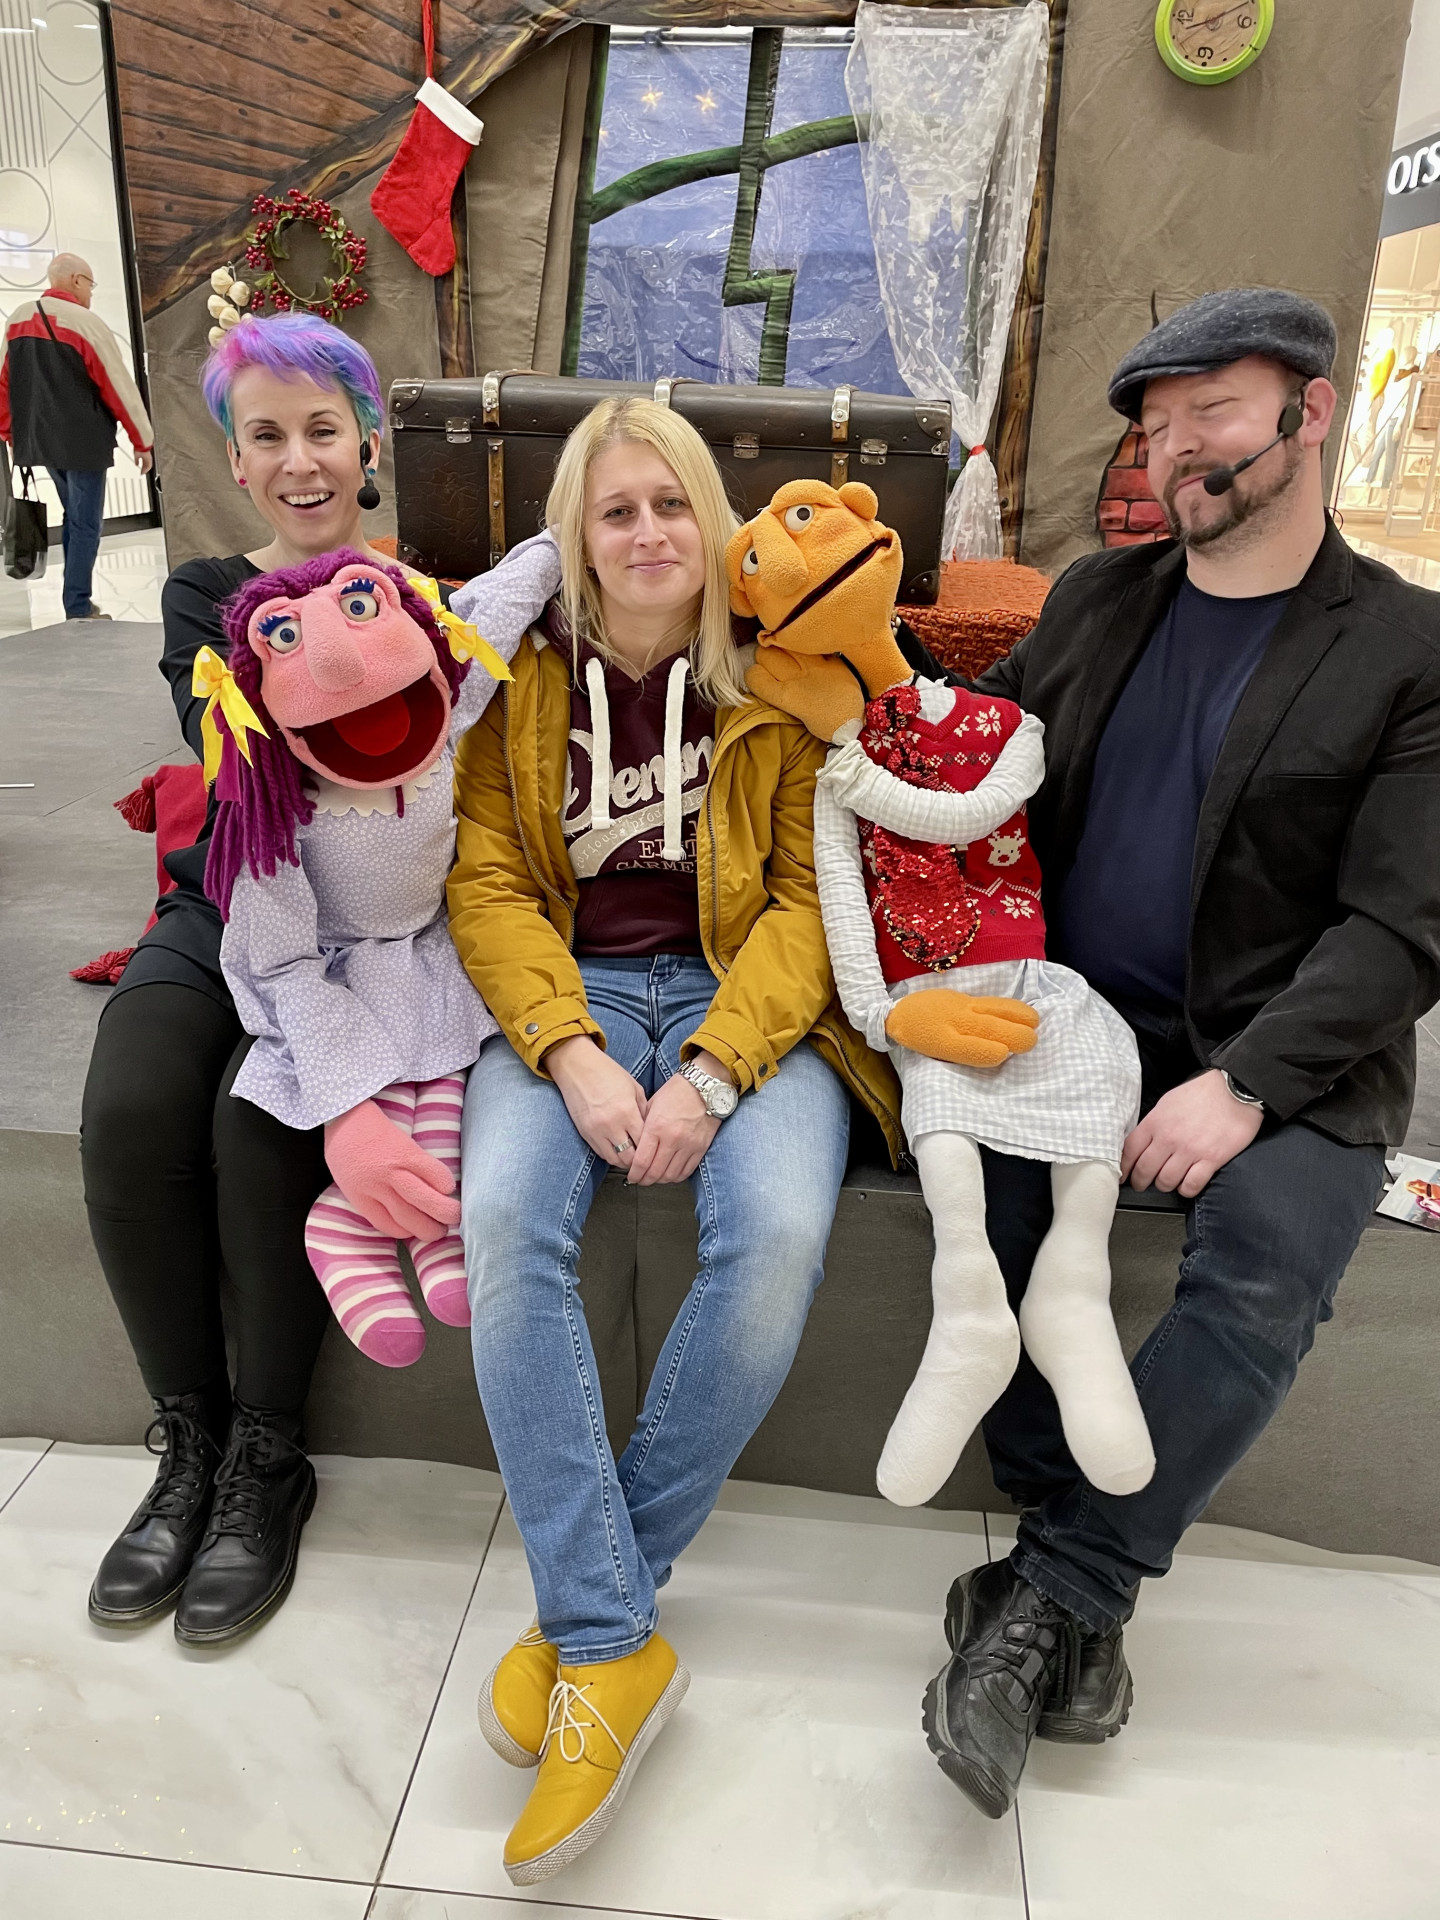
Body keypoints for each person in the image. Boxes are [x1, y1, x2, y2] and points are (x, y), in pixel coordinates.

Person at [922, 288, 1440, 1819]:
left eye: (1212, 410)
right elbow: (981, 749)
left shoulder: (1409, 648)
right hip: (1075, 1020)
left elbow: (1403, 927)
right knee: (997, 1200)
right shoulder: (1099, 598)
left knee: (1270, 1264)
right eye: (1157, 423)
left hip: (1290, 1049)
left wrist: (1246, 1086)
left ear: (1311, 412)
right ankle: (1069, 1568)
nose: (1176, 449)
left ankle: (1053, 1594)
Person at [446, 398, 899, 1887]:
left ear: (714, 524)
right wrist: (567, 1050)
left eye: (672, 505)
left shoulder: (784, 681)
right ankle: (612, 1635)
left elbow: (810, 902)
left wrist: (713, 1073)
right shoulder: (512, 674)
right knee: (505, 1224)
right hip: (568, 993)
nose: (648, 534)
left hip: (748, 1000)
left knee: (772, 1237)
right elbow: (487, 880)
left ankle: (590, 1622)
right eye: (615, 509)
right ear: (575, 534)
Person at [81, 313, 410, 1645]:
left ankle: (270, 1459)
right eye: (266, 435)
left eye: (323, 429)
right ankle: (190, 1443)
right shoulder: (207, 597)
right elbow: (239, 754)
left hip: (368, 927)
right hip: (228, 897)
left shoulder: (424, 595)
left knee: (255, 1119)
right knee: (132, 1109)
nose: (299, 460)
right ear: (234, 458)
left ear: (369, 442)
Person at [0, 253, 154, 620]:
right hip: (83, 442)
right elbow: (117, 385)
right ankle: (78, 606)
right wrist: (143, 440)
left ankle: (77, 600)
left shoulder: (18, 318)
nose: (91, 293)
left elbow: (3, 382)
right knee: (86, 524)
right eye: (91, 285)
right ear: (76, 281)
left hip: (41, 441)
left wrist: (9, 432)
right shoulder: (84, 322)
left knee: (74, 516)